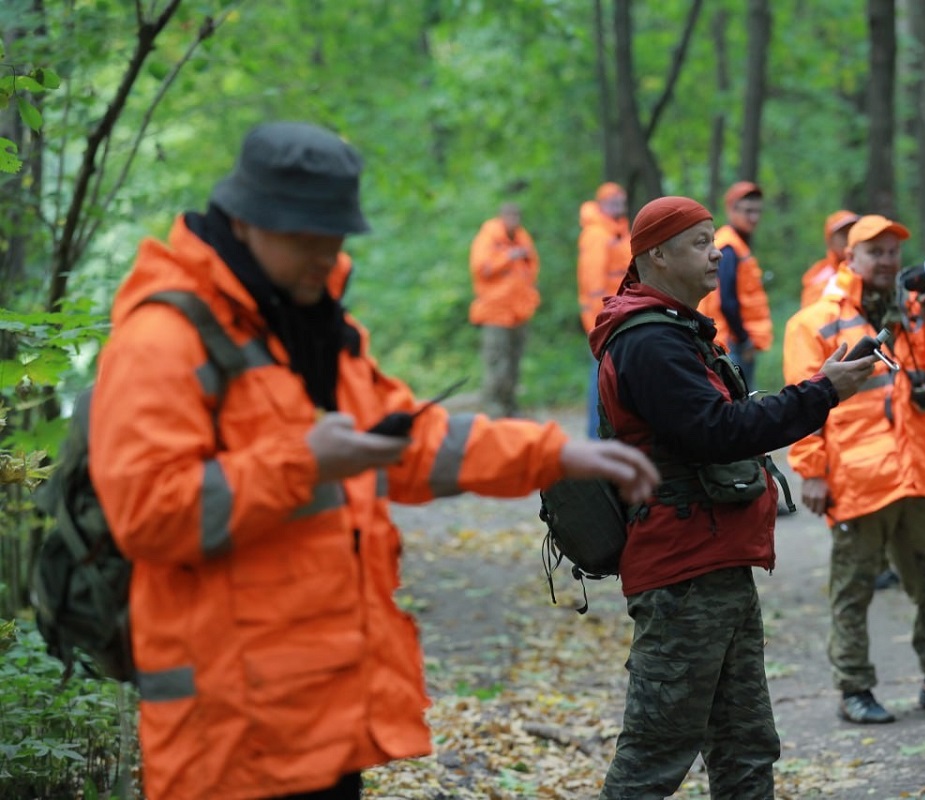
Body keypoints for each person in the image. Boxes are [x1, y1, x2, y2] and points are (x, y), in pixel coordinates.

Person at [87, 121, 660, 800]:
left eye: (333, 238)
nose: (324, 256)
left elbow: (412, 445)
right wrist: (303, 462)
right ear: (243, 222)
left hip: (325, 713)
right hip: (224, 731)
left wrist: (556, 452)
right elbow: (148, 516)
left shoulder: (313, 327)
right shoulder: (163, 340)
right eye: (305, 238)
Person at [591, 196, 878, 798]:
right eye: (699, 242)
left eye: (712, 239)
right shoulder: (649, 343)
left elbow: (722, 422)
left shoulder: (676, 333)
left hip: (715, 564)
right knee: (654, 758)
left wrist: (818, 389)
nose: (716, 251)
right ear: (657, 256)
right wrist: (822, 392)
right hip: (681, 572)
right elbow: (717, 432)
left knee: (746, 747)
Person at [782, 214, 925, 725]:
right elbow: (800, 404)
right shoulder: (812, 322)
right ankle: (854, 688)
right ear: (850, 258)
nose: (886, 260)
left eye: (893, 252)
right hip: (859, 479)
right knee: (854, 585)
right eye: (874, 251)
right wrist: (811, 471)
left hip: (920, 472)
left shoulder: (916, 310)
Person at [696, 181, 773, 390]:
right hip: (731, 343)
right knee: (740, 407)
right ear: (731, 210)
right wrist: (744, 339)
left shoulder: (735, 244)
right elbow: (727, 300)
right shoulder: (728, 247)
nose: (754, 217)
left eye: (757, 211)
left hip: (730, 341)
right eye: (748, 211)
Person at [468, 201, 539, 416]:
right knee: (497, 364)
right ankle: (494, 412)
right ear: (501, 216)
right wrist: (508, 258)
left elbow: (533, 266)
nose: (513, 220)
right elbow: (481, 268)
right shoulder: (487, 237)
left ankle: (510, 408)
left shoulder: (522, 237)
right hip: (495, 313)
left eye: (516, 216)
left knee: (514, 364)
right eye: (509, 216)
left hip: (519, 312)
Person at [577, 181, 632, 438]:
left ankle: (608, 435)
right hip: (604, 317)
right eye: (613, 202)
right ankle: (595, 437)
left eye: (621, 201)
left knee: (611, 377)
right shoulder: (598, 234)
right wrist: (598, 321)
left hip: (618, 313)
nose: (618, 206)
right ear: (601, 204)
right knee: (601, 376)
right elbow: (593, 283)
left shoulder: (618, 231)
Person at [799, 209, 859, 309]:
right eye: (843, 234)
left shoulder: (870, 267)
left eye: (853, 231)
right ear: (830, 241)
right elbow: (810, 315)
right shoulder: (820, 276)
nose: (849, 238)